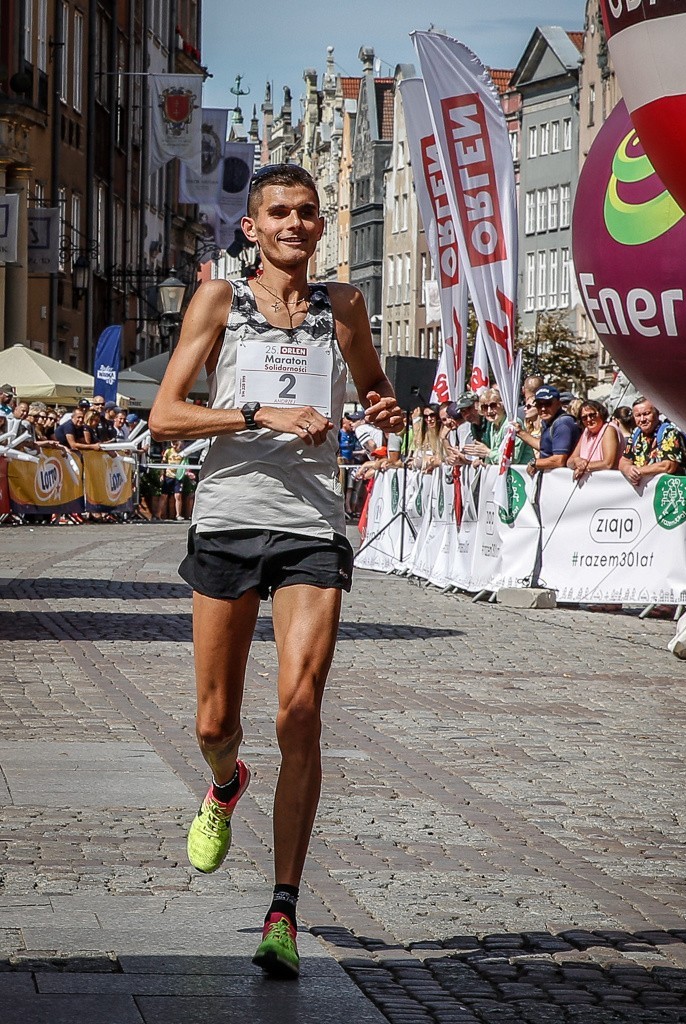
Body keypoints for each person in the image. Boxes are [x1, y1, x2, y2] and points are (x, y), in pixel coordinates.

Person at [149, 162, 402, 980]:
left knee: (301, 710)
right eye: (279, 212)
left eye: (308, 212)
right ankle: (226, 784)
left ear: (322, 226)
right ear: (252, 227)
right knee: (214, 723)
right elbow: (165, 417)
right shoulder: (220, 301)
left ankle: (283, 909)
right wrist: (260, 413)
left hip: (310, 528)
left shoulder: (345, 308)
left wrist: (384, 407)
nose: (296, 223)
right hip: (227, 518)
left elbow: (372, 388)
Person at [619, 397, 686, 484]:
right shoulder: (636, 433)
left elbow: (668, 466)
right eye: (638, 415)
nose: (642, 419)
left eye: (646, 414)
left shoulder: (669, 432)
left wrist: (638, 471)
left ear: (657, 413)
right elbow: (624, 461)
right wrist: (628, 470)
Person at [526, 385, 581, 476]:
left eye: (547, 403)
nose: (543, 409)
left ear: (558, 404)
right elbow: (544, 446)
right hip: (551, 481)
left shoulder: (562, 423)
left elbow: (559, 460)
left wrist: (535, 463)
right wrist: (520, 432)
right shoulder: (548, 422)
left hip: (563, 481)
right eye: (539, 404)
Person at [566, 400, 621, 480]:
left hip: (608, 483)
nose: (588, 419)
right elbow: (569, 462)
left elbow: (608, 463)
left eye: (592, 415)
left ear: (601, 413)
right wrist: (577, 460)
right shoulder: (586, 432)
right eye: (584, 418)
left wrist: (584, 466)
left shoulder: (608, 429)